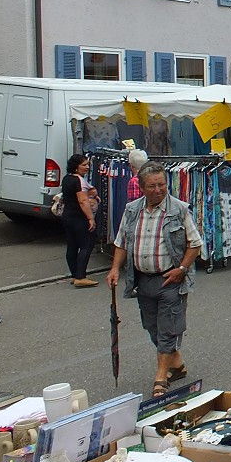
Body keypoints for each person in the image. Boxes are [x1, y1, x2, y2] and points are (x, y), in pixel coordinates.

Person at [106, 163, 202, 398]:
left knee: (168, 329)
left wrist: (181, 269)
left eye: (162, 184)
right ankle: (177, 365)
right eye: (152, 186)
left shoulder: (179, 210)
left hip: (170, 279)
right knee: (153, 327)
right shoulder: (131, 210)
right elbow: (121, 242)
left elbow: (195, 244)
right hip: (143, 280)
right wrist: (114, 269)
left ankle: (161, 377)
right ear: (141, 187)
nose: (158, 190)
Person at [62, 154, 98, 288]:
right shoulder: (79, 181)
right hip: (78, 217)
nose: (87, 167)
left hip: (67, 216)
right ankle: (81, 276)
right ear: (76, 167)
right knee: (86, 245)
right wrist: (91, 218)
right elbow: (83, 201)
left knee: (72, 245)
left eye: (88, 164)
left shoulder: (66, 179)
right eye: (84, 165)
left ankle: (74, 275)